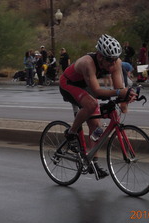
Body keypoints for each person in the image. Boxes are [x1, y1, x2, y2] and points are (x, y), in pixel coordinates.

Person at [59, 34, 137, 178]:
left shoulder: (115, 63)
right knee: (92, 104)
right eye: (110, 60)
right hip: (68, 84)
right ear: (100, 56)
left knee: (96, 127)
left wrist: (127, 95)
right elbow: (96, 91)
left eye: (115, 59)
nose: (113, 64)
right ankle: (71, 132)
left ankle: (92, 162)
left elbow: (119, 87)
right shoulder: (87, 63)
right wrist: (120, 92)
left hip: (86, 87)